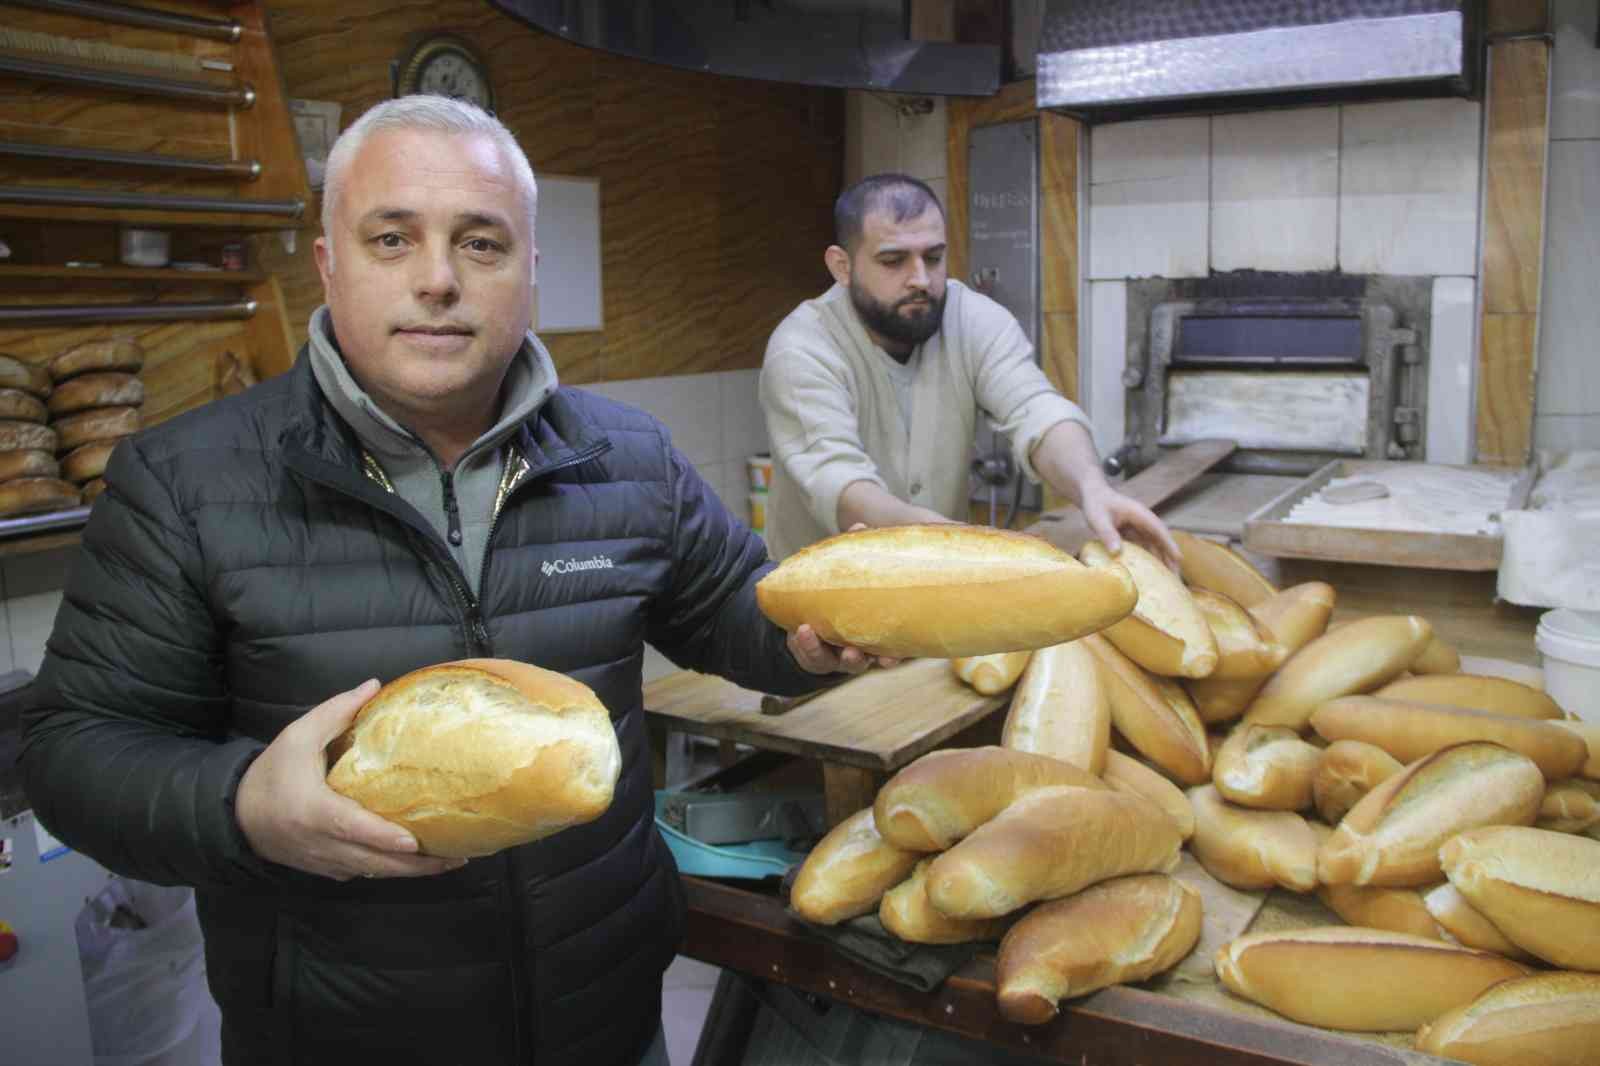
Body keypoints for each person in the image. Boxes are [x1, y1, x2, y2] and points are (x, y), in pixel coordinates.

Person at [19, 95, 881, 1066]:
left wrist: (819, 639)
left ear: (529, 269)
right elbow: (73, 754)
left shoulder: (629, 457)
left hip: (605, 1021)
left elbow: (738, 619)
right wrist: (243, 805)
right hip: (338, 1039)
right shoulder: (186, 482)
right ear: (328, 264)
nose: (438, 280)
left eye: (480, 243)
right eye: (392, 238)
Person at [760, 173, 1178, 565]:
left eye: (933, 257)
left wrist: (1092, 489)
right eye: (893, 261)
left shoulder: (974, 319)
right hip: (820, 592)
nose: (920, 279)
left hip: (936, 578)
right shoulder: (803, 347)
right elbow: (840, 483)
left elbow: (1037, 411)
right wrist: (960, 543)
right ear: (842, 266)